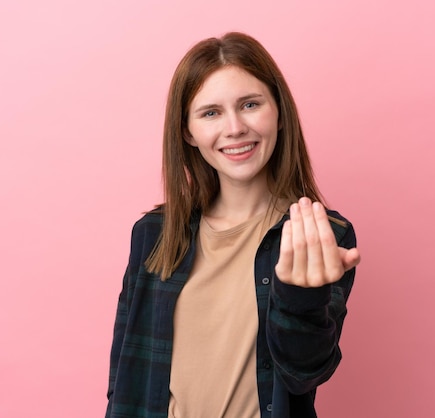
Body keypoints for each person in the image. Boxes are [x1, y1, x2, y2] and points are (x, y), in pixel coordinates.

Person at [105, 32, 361, 418]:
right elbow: (124, 377)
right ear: (188, 132)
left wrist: (301, 299)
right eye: (211, 112)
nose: (235, 127)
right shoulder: (153, 234)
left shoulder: (319, 235)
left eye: (250, 104)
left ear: (278, 111)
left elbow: (304, 373)